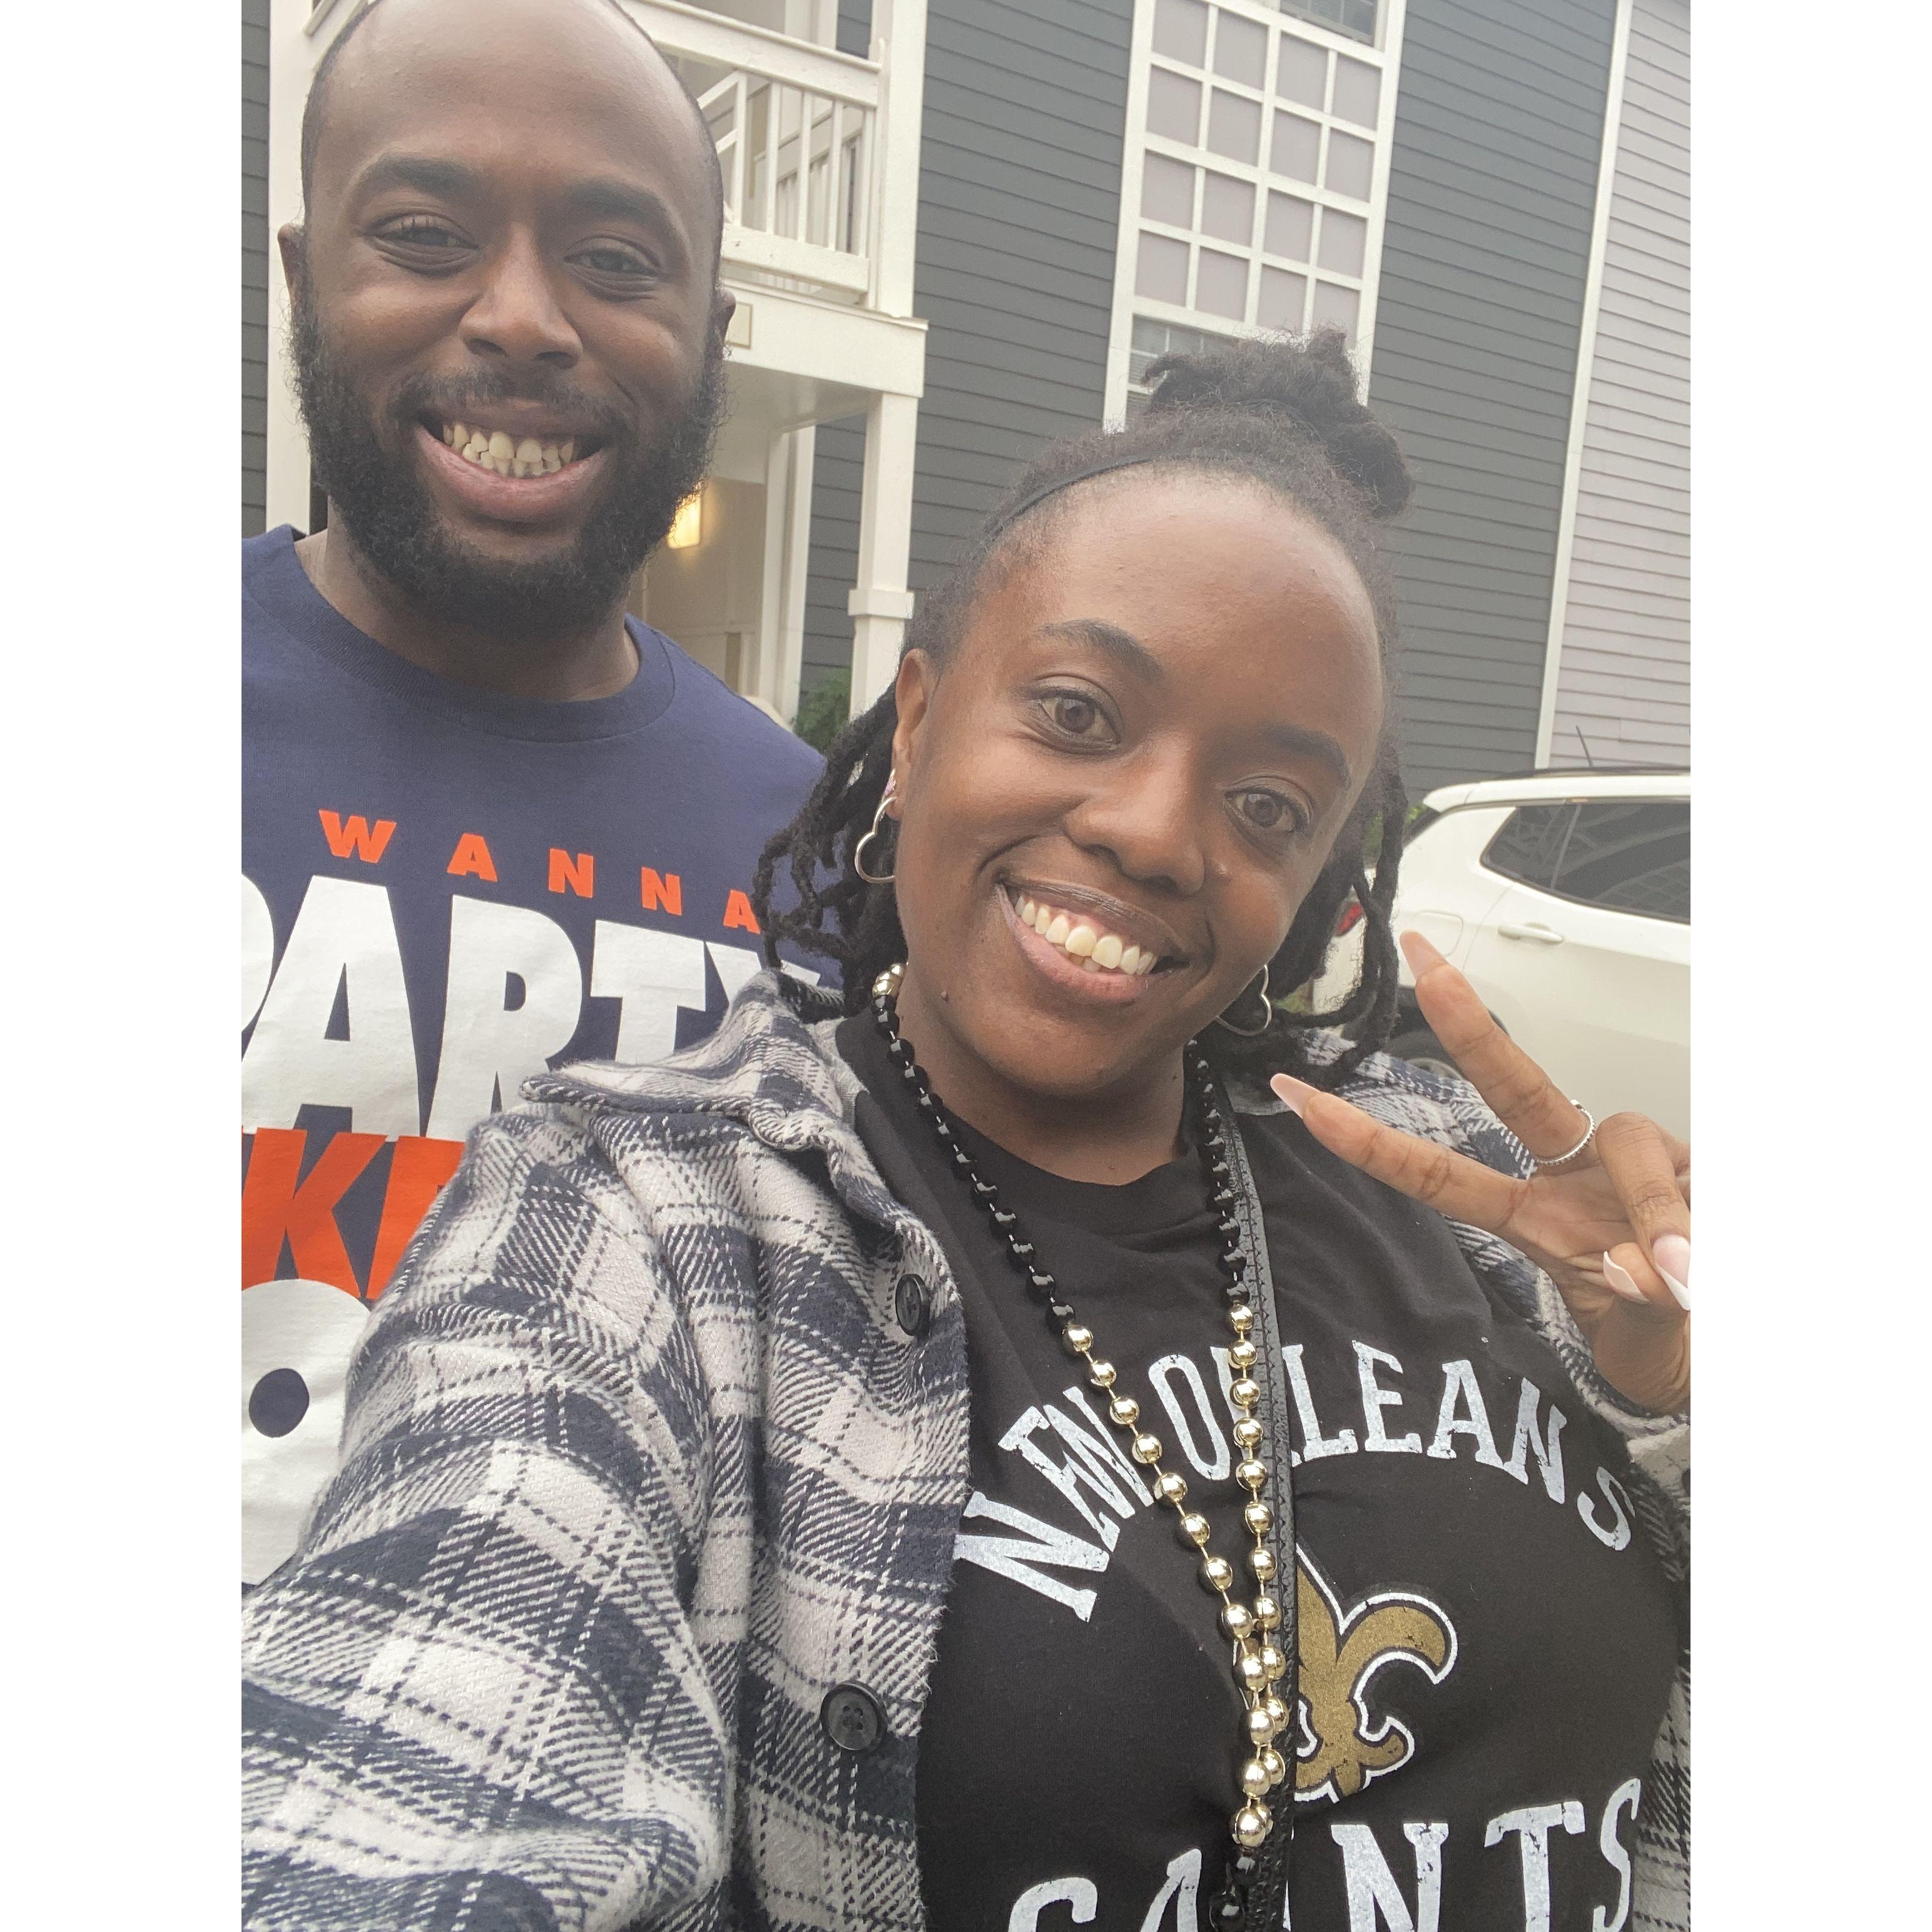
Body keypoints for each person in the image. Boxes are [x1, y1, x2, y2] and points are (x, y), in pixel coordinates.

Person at [241, 332, 1689, 1932]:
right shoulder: (645, 1220)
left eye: (1267, 804)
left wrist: (1669, 1397)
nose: (1154, 829)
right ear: (919, 719)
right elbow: (429, 1710)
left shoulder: (1450, 1186)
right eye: (1077, 711)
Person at [241, 0, 824, 1586]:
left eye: (617, 262)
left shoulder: (819, 856)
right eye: (426, 235)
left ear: (708, 339)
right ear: (305, 281)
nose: (521, 318)